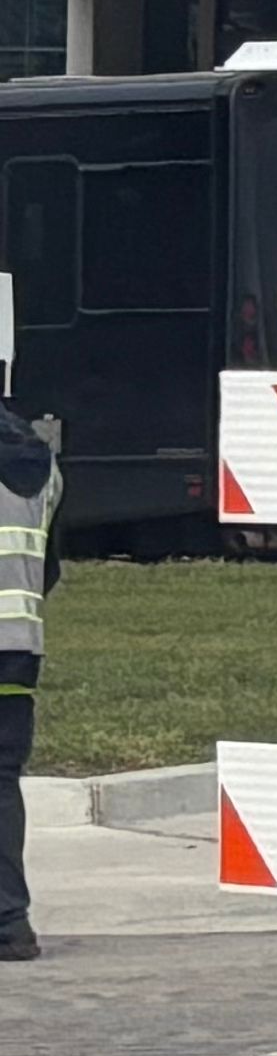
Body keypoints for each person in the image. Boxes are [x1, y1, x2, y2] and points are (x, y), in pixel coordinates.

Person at [0, 389, 49, 963]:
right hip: (17, 649)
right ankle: (11, 922)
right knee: (2, 783)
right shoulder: (43, 466)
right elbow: (48, 563)